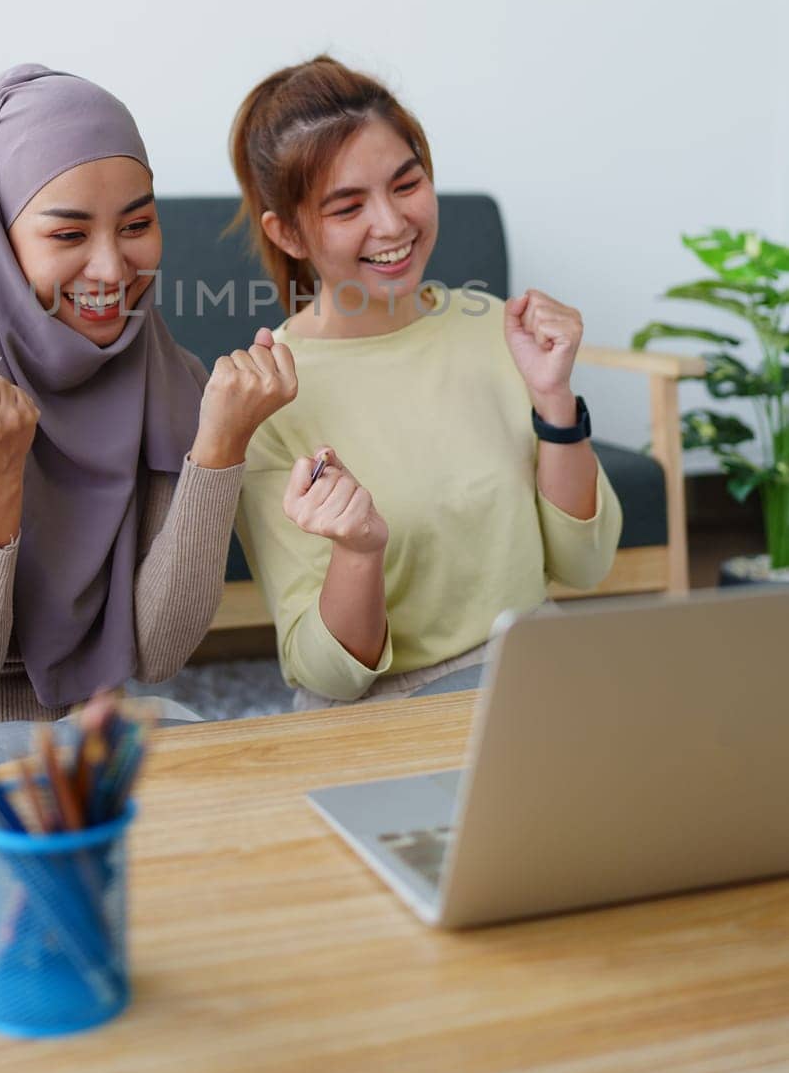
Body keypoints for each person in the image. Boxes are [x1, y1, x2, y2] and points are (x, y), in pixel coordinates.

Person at [0, 63, 296, 817]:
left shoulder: (165, 380)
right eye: (69, 233)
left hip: (87, 778)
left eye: (137, 225)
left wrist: (219, 449)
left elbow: (160, 649)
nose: (113, 267)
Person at [229, 55, 623, 709]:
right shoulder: (273, 395)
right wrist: (357, 551)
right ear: (288, 232)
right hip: (389, 707)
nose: (391, 225)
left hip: (530, 670)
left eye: (405, 185)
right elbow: (326, 673)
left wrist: (554, 401)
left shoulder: (500, 330)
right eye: (347, 205)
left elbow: (585, 566)